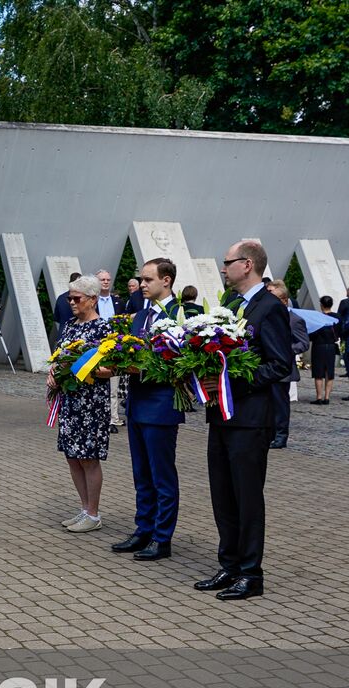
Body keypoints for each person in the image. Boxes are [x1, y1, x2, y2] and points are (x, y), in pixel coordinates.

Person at [194, 240, 292, 601]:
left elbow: (280, 365)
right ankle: (230, 565)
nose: (223, 268)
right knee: (222, 494)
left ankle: (251, 573)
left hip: (250, 419)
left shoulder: (270, 308)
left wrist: (230, 380)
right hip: (222, 416)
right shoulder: (232, 306)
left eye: (227, 262)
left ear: (247, 264)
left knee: (247, 497)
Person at [111, 258, 184, 561]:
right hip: (138, 400)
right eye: (141, 279)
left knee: (161, 475)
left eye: (148, 279)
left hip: (161, 402)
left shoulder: (181, 314)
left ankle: (162, 536)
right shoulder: (140, 315)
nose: (142, 284)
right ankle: (143, 528)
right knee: (141, 472)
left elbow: (180, 359)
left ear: (166, 281)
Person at [50, 275, 113, 533]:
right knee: (72, 456)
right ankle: (84, 508)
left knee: (88, 457)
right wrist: (53, 370)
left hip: (91, 402)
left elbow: (112, 368)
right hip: (69, 400)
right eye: (70, 298)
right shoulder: (69, 326)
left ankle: (94, 513)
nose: (72, 302)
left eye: (77, 298)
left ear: (92, 299)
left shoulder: (103, 329)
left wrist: (81, 369)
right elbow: (58, 355)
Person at [265, 280, 308, 447]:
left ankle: (281, 436)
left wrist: (283, 349)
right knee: (268, 403)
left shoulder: (294, 319)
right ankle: (270, 433)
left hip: (283, 369)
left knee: (280, 404)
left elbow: (303, 343)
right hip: (268, 367)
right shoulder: (268, 315)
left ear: (283, 300)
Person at [309, 294, 340, 405]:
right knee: (329, 372)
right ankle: (327, 397)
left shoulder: (317, 318)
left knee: (318, 373)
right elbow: (339, 332)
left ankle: (319, 397)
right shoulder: (337, 317)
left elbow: (311, 333)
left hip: (318, 346)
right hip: (331, 346)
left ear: (321, 305)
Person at [52, 271, 78, 338]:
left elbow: (56, 317)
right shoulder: (81, 298)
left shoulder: (61, 298)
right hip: (76, 334)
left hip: (62, 333)